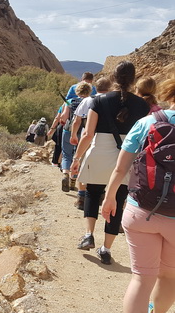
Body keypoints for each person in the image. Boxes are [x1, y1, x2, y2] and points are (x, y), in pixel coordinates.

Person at [101, 75, 175, 313]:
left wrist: (109, 198)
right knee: (169, 275)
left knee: (142, 279)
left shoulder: (147, 122)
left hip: (140, 211)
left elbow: (121, 168)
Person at [71, 61, 149, 265]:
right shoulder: (142, 105)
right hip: (127, 155)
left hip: (100, 152)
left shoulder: (99, 100)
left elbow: (87, 134)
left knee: (92, 192)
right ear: (134, 80)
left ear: (113, 78)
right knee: (118, 198)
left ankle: (88, 234)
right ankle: (106, 249)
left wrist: (77, 158)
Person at [69, 77, 112, 210]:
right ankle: (101, 194)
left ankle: (81, 197)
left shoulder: (88, 100)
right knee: (106, 166)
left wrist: (73, 135)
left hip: (87, 136)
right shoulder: (113, 101)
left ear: (96, 88)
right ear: (109, 88)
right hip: (107, 139)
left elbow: (77, 120)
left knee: (82, 164)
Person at [59, 82, 91, 192]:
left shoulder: (70, 102)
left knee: (66, 154)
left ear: (77, 91)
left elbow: (63, 117)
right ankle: (73, 181)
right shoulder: (90, 102)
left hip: (68, 130)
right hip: (82, 131)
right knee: (78, 157)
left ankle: (65, 175)